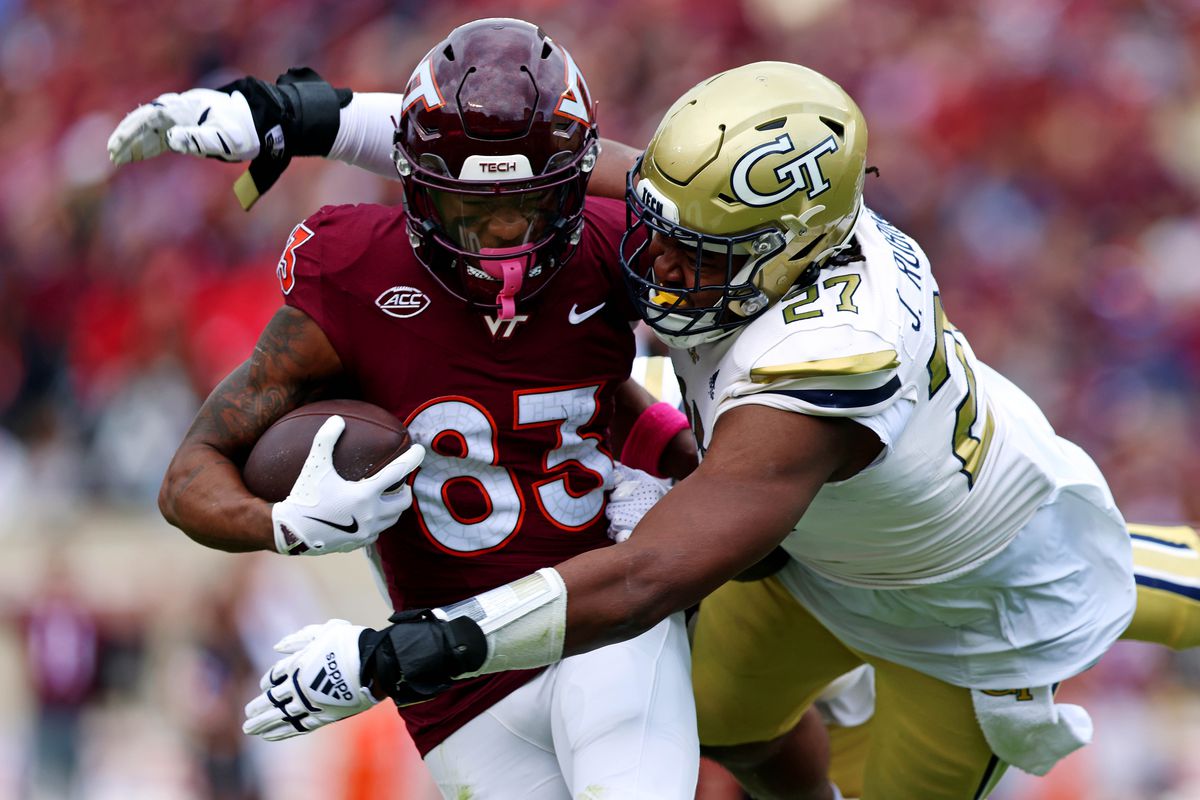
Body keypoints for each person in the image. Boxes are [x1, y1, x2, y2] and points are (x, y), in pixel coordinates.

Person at [228, 60, 1200, 800]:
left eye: (696, 256)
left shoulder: (833, 351)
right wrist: (318, 116)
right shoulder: (753, 224)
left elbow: (648, 576)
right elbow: (555, 165)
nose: (657, 266)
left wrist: (414, 646)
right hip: (820, 551)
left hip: (965, 595)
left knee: (1098, 581)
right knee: (724, 722)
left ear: (790, 253)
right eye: (662, 229)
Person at [135, 18, 701, 800]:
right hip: (450, 688)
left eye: (530, 203)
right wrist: (284, 524)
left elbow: (725, 261)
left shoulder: (615, 246)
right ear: (415, 185)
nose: (503, 233)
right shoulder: (356, 273)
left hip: (597, 620)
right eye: (471, 207)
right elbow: (188, 477)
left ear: (575, 183)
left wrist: (665, 451)